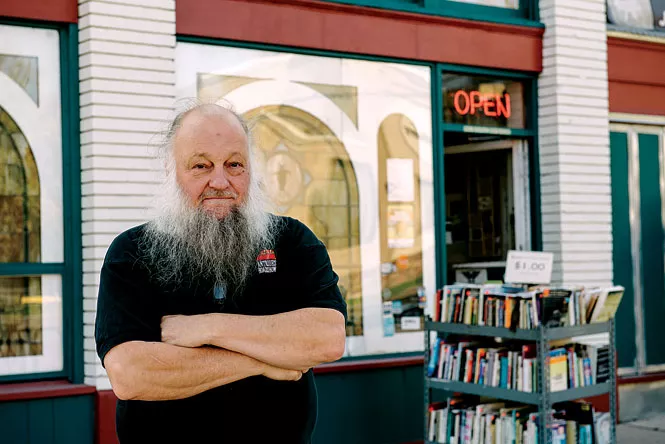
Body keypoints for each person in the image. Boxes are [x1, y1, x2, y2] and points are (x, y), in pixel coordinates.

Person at [94, 102, 348, 444]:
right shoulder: (132, 253)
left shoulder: (292, 242)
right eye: (201, 165)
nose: (220, 180)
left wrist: (204, 328)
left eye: (234, 164)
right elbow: (131, 375)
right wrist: (266, 361)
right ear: (171, 170)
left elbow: (327, 337)